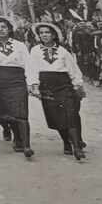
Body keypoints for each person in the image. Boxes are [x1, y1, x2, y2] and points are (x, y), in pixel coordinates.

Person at [28, 22, 87, 161]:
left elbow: (73, 68)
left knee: (70, 114)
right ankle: (66, 142)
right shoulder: (35, 50)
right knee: (55, 116)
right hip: (46, 86)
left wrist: (77, 85)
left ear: (54, 35)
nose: (44, 35)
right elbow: (32, 69)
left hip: (63, 85)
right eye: (41, 33)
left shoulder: (63, 51)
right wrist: (34, 85)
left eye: (47, 32)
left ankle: (77, 147)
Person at [0, 16, 33, 159]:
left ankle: (26, 145)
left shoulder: (20, 45)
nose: (1, 30)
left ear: (9, 29)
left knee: (21, 113)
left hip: (17, 81)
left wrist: (31, 83)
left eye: (3, 27)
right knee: (3, 113)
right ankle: (14, 134)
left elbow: (28, 64)